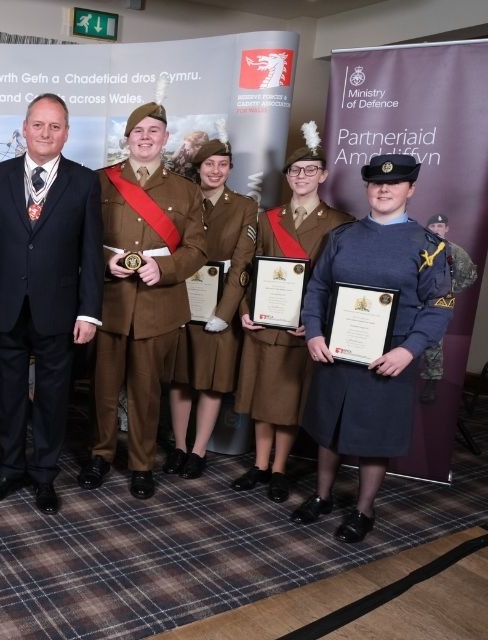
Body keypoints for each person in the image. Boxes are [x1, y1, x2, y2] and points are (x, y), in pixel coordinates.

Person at [294, 154, 453, 543]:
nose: (385, 189)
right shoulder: (342, 237)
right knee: (330, 426)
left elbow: (440, 304)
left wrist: (409, 351)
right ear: (368, 188)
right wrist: (314, 332)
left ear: (410, 189)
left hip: (390, 356)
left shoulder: (429, 246)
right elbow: (317, 288)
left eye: (395, 183)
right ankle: (322, 495)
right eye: (378, 183)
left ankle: (364, 510)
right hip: (337, 348)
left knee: (375, 434)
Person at [0, 93, 104, 514]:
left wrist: (89, 311)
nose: (45, 133)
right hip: (6, 305)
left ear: (66, 133)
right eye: (38, 125)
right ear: (24, 129)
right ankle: (9, 470)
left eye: (55, 126)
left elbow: (90, 253)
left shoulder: (84, 181)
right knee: (9, 394)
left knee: (52, 397)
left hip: (60, 311)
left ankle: (44, 475)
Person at [76, 102, 206, 499]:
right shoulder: (98, 182)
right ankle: (100, 454)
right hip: (109, 303)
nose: (146, 137)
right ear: (127, 138)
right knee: (102, 386)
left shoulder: (186, 189)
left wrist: (163, 270)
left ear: (165, 139)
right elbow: (77, 240)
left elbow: (198, 248)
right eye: (138, 131)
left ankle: (141, 462)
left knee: (146, 391)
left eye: (154, 131)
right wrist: (104, 260)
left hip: (158, 305)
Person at [233, 122, 353, 503]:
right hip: (264, 321)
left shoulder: (339, 223)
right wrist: (243, 308)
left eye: (310, 170)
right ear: (286, 177)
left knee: (287, 402)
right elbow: (247, 268)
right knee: (260, 398)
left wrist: (317, 322)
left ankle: (280, 468)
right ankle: (260, 465)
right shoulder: (267, 218)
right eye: (295, 171)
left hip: (302, 327)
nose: (302, 176)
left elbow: (338, 282)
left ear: (323, 175)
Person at [167, 128, 257, 480]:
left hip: (219, 307)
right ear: (199, 167)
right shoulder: (184, 199)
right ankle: (178, 445)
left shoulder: (245, 207)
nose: (215, 171)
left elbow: (242, 263)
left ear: (230, 168)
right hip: (181, 301)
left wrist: (225, 313)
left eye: (223, 164)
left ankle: (198, 449)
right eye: (209, 164)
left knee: (211, 382)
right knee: (180, 379)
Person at [419, 213, 478, 403]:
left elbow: (470, 274)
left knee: (434, 341)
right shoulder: (420, 247)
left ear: (446, 229)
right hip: (416, 300)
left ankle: (432, 381)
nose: (436, 229)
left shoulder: (455, 251)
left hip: (439, 302)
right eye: (433, 226)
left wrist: (452, 289)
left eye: (440, 226)